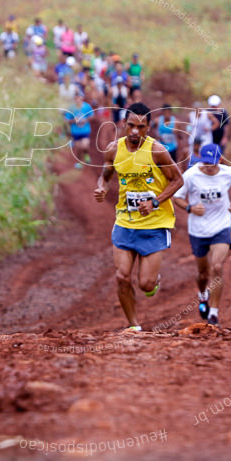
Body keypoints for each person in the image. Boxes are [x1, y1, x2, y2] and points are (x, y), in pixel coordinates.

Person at [95, 102, 183, 332]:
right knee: (122, 276)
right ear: (124, 124)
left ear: (149, 127)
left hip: (154, 223)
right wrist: (102, 188)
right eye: (131, 126)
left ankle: (153, 281)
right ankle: (134, 326)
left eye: (141, 127)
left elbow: (178, 180)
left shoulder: (157, 151)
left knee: (145, 284)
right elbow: (105, 175)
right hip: (125, 220)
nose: (135, 132)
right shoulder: (114, 149)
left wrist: (154, 201)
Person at [173, 144, 231, 326]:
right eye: (205, 162)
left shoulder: (228, 172)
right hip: (198, 229)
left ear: (219, 160)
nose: (208, 166)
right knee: (203, 273)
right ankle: (202, 294)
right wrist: (190, 208)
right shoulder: (190, 175)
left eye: (212, 163)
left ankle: (213, 314)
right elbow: (177, 197)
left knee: (217, 266)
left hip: (221, 226)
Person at [65, 93, 93, 169]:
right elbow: (66, 120)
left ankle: (86, 154)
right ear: (74, 99)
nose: (78, 100)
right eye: (76, 98)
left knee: (84, 145)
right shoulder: (71, 108)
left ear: (82, 98)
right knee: (79, 148)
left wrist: (85, 120)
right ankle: (79, 162)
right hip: (75, 132)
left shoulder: (87, 106)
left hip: (85, 131)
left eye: (79, 98)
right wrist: (74, 120)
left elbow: (92, 116)